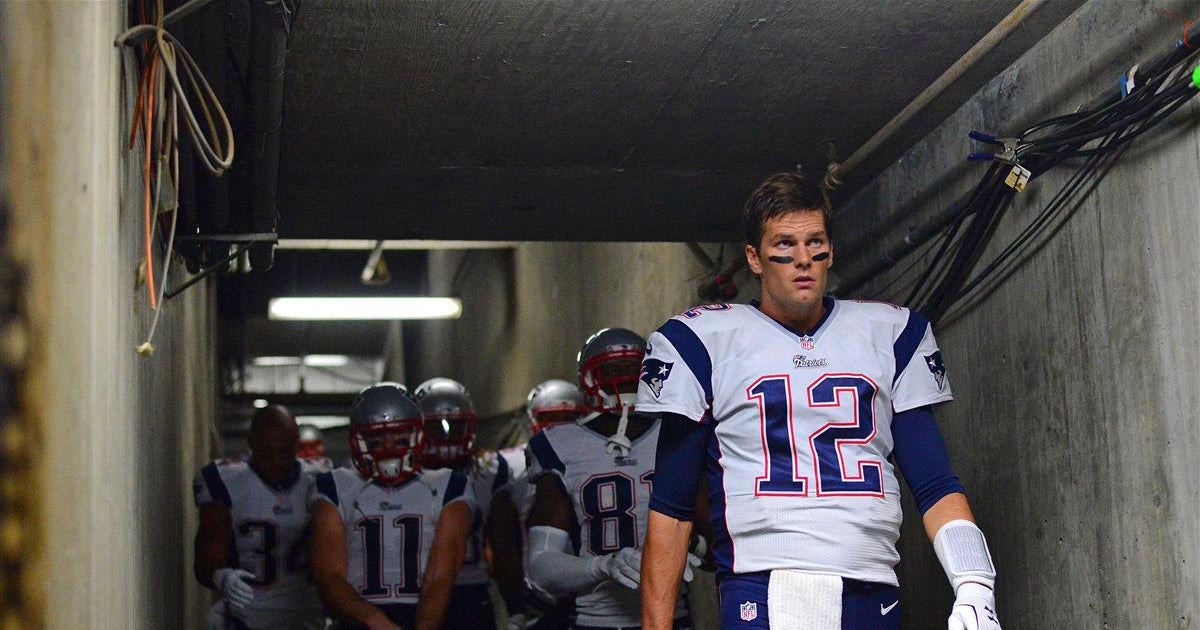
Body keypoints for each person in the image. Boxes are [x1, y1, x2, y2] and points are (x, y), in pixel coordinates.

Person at [637, 171, 1001, 630]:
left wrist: (973, 583)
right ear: (753, 256)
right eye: (784, 246)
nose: (802, 260)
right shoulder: (702, 341)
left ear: (831, 249)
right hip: (765, 581)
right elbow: (673, 506)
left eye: (815, 243)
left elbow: (933, 482)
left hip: (873, 579)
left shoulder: (891, 334)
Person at [525, 329, 698, 630]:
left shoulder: (680, 433)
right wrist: (602, 566)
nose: (625, 379)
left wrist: (691, 546)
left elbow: (717, 541)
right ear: (589, 379)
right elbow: (540, 567)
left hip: (671, 616)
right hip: (596, 619)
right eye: (613, 370)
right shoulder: (560, 445)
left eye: (633, 369)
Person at [308, 382, 474, 630]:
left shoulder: (449, 485)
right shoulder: (334, 485)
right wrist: (376, 622)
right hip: (356, 618)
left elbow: (440, 577)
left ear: (417, 434)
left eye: (398, 437)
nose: (387, 447)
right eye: (376, 439)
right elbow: (328, 575)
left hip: (428, 615)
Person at [192, 404, 324, 630]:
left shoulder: (320, 480)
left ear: (295, 447)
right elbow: (207, 558)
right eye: (267, 451)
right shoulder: (227, 481)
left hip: (304, 615)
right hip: (244, 614)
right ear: (251, 444)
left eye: (284, 452)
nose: (275, 461)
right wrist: (221, 576)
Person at [414, 377, 527, 630]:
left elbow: (504, 549)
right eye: (436, 427)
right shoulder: (404, 475)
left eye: (455, 426)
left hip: (469, 590)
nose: (446, 434)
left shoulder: (488, 473)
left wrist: (516, 606)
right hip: (417, 589)